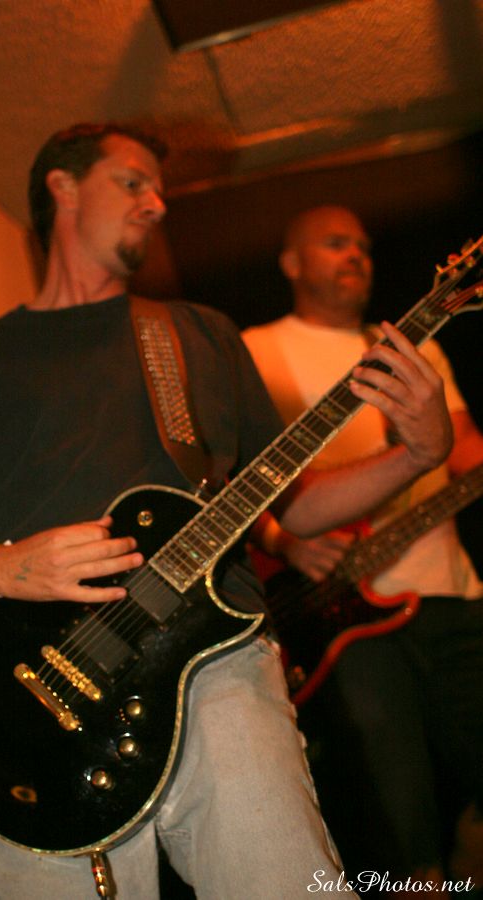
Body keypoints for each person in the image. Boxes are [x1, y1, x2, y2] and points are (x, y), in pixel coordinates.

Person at [0, 132, 453, 900]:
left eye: (159, 189)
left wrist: (417, 455)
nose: (156, 204)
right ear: (63, 187)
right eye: (132, 183)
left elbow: (296, 504)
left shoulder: (196, 334)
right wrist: (0, 566)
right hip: (34, 707)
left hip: (217, 663)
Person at [243, 205, 483, 893]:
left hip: (449, 586)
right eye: (335, 242)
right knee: (397, 803)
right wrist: (283, 541)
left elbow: (462, 449)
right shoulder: (257, 348)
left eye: (364, 245)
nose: (356, 254)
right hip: (340, 611)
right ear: (292, 262)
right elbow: (235, 479)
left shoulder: (409, 342)